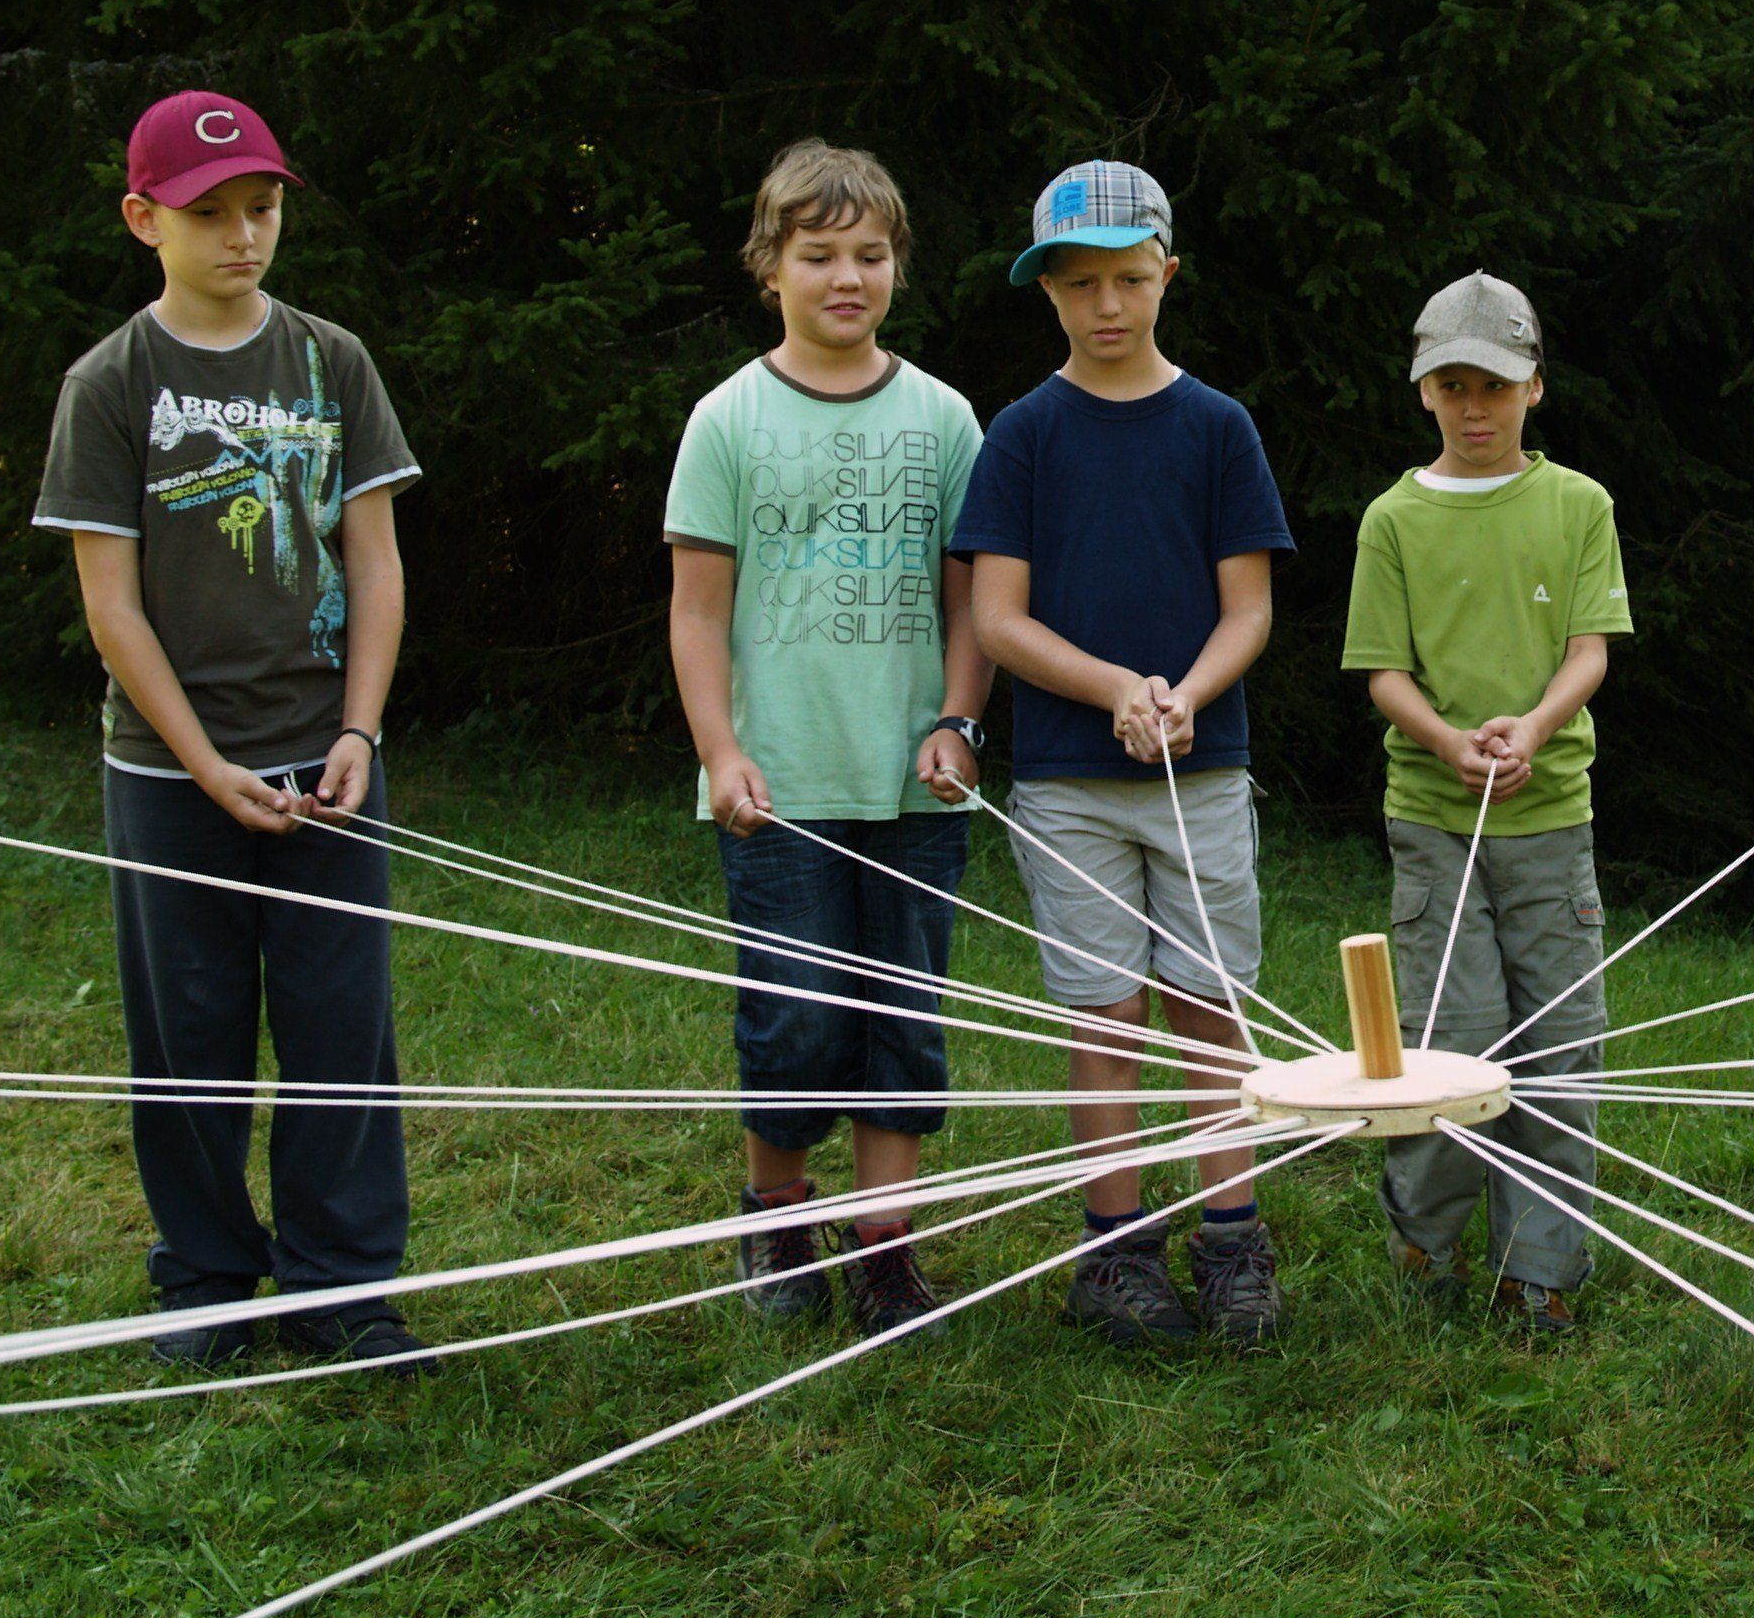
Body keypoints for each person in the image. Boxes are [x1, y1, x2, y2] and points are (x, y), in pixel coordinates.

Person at [32, 91, 430, 1371]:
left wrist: (359, 729)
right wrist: (203, 765)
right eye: (210, 215)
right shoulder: (110, 383)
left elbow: (374, 561)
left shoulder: (332, 361)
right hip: (169, 772)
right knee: (187, 1034)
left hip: (327, 761)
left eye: (261, 209)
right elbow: (112, 606)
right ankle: (205, 1276)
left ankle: (341, 1287)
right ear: (143, 219)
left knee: (339, 1030)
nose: (243, 236)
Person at [950, 160, 1295, 1345]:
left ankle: (1233, 1241)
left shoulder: (1218, 427)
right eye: (1081, 284)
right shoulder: (1023, 435)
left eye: (1130, 280)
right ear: (1046, 290)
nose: (1108, 304)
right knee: (1104, 1019)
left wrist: (1185, 695)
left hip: (1202, 770)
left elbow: (1248, 608)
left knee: (1210, 1010)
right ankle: (1114, 1253)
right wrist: (1113, 690)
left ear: (1168, 275)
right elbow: (998, 618)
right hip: (1068, 782)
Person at [666, 138, 991, 1336]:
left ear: (896, 264)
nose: (845, 277)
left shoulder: (946, 419)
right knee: (794, 1013)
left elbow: (972, 603)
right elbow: (697, 612)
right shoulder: (727, 418)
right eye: (817, 256)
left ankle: (884, 1247)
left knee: (901, 1018)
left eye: (868, 254)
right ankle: (776, 1218)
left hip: (912, 783)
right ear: (770, 269)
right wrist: (721, 750)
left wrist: (958, 720)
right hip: (779, 784)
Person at [1340, 272, 1633, 1334]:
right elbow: (1382, 671)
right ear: (1423, 390)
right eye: (1453, 386)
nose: (1474, 408)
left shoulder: (1579, 505)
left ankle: (1539, 1268)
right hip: (1433, 817)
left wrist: (1535, 726)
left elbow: (1590, 650)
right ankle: (1426, 1242)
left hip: (1550, 818)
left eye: (1495, 387)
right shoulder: (1393, 518)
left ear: (1534, 387)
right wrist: (1447, 740)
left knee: (1559, 1045)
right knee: (1444, 1042)